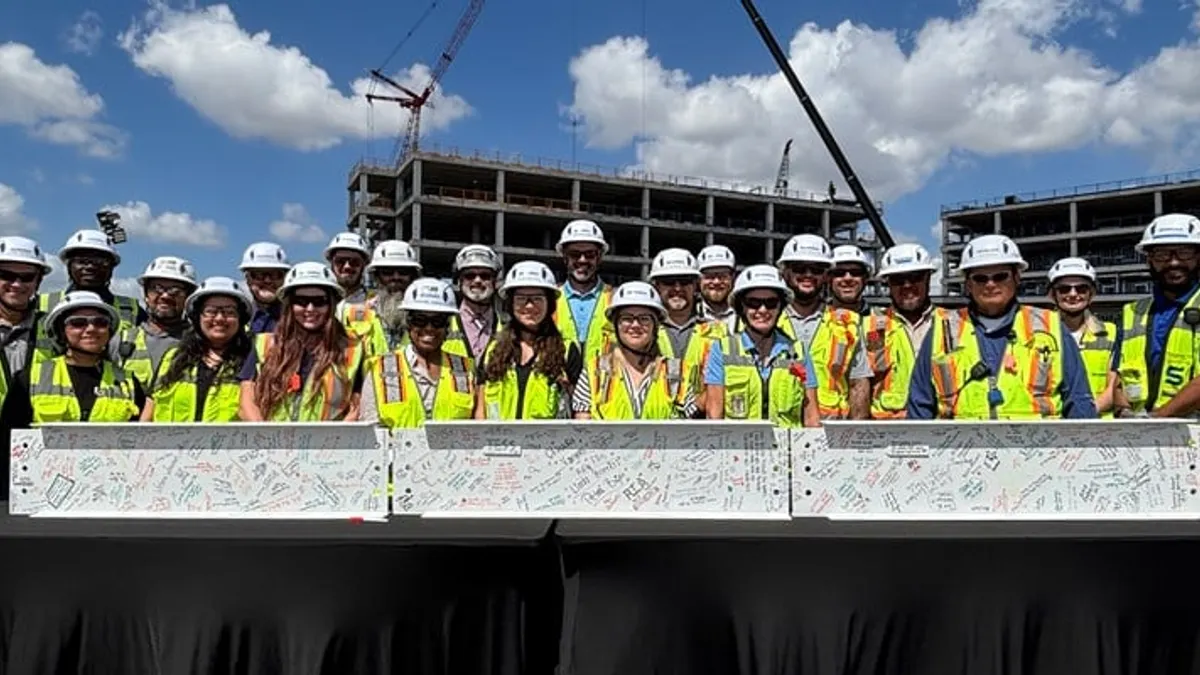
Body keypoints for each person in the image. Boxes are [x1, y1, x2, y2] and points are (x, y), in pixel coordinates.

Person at [906, 234, 1096, 419]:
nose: (990, 284)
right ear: (968, 284)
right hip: (959, 446)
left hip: (1038, 447)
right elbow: (920, 403)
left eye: (1000, 276)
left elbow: (1079, 401)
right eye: (980, 278)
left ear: (1016, 278)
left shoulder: (1050, 326)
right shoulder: (942, 328)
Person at [238, 262, 364, 422]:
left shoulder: (352, 349)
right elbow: (246, 402)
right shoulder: (265, 344)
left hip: (329, 444)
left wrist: (330, 444)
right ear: (289, 305)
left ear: (331, 305)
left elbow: (356, 408)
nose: (310, 309)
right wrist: (267, 441)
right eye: (301, 301)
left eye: (319, 301)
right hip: (272, 443)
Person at [776, 234, 871, 419]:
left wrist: (855, 438)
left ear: (827, 275)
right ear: (785, 272)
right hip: (780, 432)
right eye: (799, 268)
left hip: (832, 433)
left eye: (817, 269)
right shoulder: (768, 320)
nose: (808, 274)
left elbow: (858, 385)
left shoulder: (846, 325)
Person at [1115, 214, 1200, 417]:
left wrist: (1156, 419)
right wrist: (1123, 410)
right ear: (1149, 260)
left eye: (1184, 252)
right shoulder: (1133, 312)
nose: (1173, 262)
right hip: (1141, 434)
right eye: (1161, 254)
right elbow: (1117, 377)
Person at [572, 281, 695, 420]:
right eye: (627, 319)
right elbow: (582, 432)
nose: (635, 325)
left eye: (644, 319)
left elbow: (687, 433)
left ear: (656, 326)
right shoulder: (594, 372)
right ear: (616, 325)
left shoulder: (677, 372)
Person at [476, 261, 582, 420]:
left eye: (537, 298)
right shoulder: (493, 349)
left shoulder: (566, 351)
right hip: (498, 442)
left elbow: (581, 410)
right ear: (510, 303)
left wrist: (568, 388)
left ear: (549, 303)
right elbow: (481, 411)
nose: (530, 306)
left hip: (549, 444)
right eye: (521, 299)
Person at [367, 278, 476, 428]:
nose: (429, 328)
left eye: (437, 321)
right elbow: (370, 430)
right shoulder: (380, 368)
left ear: (447, 326)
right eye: (420, 320)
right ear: (408, 322)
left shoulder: (467, 369)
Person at [141, 277, 253, 422]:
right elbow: (150, 410)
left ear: (240, 319)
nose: (219, 318)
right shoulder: (172, 358)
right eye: (210, 311)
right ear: (197, 317)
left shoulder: (252, 361)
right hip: (170, 444)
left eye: (229, 312)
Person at [722, 265, 820, 428]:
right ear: (741, 307)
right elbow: (714, 416)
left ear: (780, 307)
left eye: (771, 303)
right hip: (739, 450)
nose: (762, 310)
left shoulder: (799, 353)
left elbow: (812, 418)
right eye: (753, 303)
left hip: (789, 450)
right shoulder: (722, 350)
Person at [30, 291, 141, 423]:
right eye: (78, 323)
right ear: (61, 331)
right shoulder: (32, 377)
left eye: (100, 322)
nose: (91, 329)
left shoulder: (128, 382)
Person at [646, 248, 725, 418]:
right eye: (668, 281)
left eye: (684, 281)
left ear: (696, 285)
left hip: (701, 423)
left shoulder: (718, 332)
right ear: (656, 286)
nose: (677, 288)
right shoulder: (641, 332)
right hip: (654, 424)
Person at [865, 244, 937, 419]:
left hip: (939, 429)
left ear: (928, 278)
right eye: (898, 280)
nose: (907, 286)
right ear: (887, 283)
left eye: (915, 277)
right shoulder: (871, 326)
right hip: (888, 430)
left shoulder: (950, 324)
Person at [1047, 257, 1118, 417]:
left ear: (1091, 294)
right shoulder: (1040, 334)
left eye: (1081, 289)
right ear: (1052, 295)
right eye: (1064, 289)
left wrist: (1084, 415)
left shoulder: (1110, 334)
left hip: (1098, 426)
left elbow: (1115, 386)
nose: (1073, 294)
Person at [39, 229, 144, 338]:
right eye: (81, 261)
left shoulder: (131, 310)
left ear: (111, 267)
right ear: (69, 266)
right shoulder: (40, 305)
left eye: (99, 262)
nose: (90, 267)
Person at [121, 256, 197, 387]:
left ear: (188, 298)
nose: (165, 296)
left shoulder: (200, 345)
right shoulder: (120, 342)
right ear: (146, 294)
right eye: (157, 288)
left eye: (175, 290)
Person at [554, 219, 613, 360]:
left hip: (602, 380)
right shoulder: (551, 299)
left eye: (590, 254)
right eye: (574, 254)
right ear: (564, 257)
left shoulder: (615, 299)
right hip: (559, 380)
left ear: (599, 257)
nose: (582, 260)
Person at [450, 244, 502, 360]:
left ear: (495, 282)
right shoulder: (442, 323)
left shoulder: (507, 327)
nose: (477, 280)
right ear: (459, 282)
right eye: (470, 276)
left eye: (485, 276)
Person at [239, 242, 291, 335]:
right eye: (259, 275)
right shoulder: (237, 320)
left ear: (285, 278)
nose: (267, 281)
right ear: (247, 279)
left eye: (275, 275)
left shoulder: (299, 319)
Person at [696, 244, 738, 333]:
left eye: (722, 275)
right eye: (709, 276)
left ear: (733, 277)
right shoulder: (688, 314)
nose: (716, 282)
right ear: (699, 279)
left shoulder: (746, 313)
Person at [828, 244, 872, 314]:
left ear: (866, 278)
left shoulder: (885, 319)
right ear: (828, 278)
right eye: (839, 273)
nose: (847, 278)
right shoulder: (814, 320)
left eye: (855, 272)